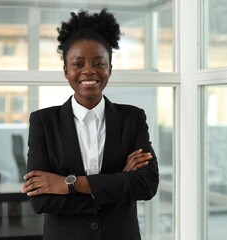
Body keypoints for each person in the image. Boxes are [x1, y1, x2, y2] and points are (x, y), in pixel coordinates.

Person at [21, 9, 159, 240]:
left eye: (99, 63)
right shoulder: (44, 122)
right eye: (78, 64)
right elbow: (40, 199)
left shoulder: (132, 118)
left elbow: (147, 184)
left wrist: (68, 184)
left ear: (110, 69)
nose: (88, 71)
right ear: (66, 70)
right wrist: (117, 184)